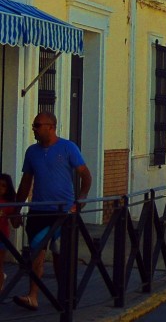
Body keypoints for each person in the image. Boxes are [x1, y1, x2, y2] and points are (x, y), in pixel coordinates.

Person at [15, 112, 92, 312]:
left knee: (60, 256)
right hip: (38, 211)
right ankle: (33, 296)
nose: (34, 128)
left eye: (37, 125)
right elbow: (26, 182)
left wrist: (81, 199)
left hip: (63, 213)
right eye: (33, 125)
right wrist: (16, 208)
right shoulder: (32, 151)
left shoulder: (68, 148)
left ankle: (63, 295)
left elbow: (85, 175)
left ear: (51, 126)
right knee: (36, 254)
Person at [0, 172, 16, 290]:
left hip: (2, 237)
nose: (0, 188)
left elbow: (14, 221)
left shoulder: (8, 203)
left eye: (3, 186)